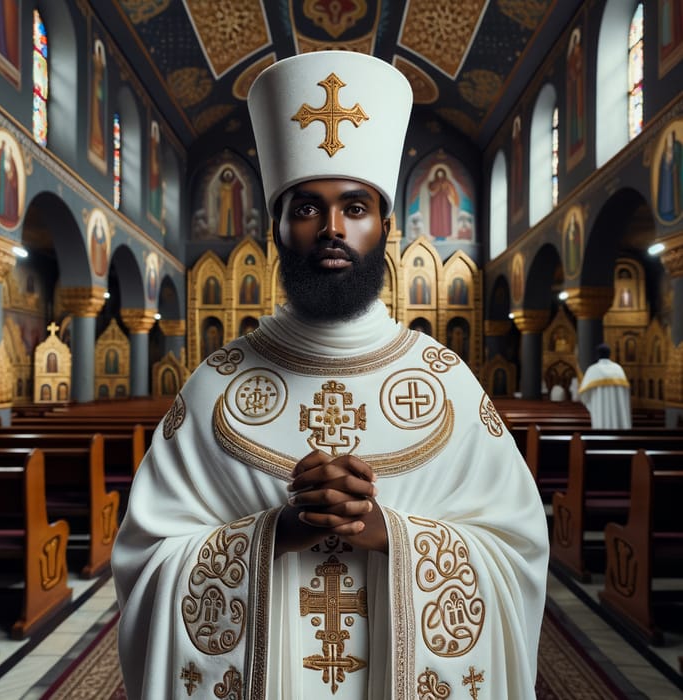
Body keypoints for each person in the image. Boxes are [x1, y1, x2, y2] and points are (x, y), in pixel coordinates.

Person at [111, 50, 549, 699]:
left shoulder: (448, 382)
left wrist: (389, 533)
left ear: (386, 226)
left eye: (355, 206)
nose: (333, 229)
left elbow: (517, 555)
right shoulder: (214, 386)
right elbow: (145, 564)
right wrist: (277, 533)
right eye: (308, 208)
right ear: (278, 228)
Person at [578, 343, 632, 429]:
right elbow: (625, 394)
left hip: (600, 415)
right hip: (618, 420)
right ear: (609, 354)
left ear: (597, 354)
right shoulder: (618, 369)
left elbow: (584, 395)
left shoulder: (593, 370)